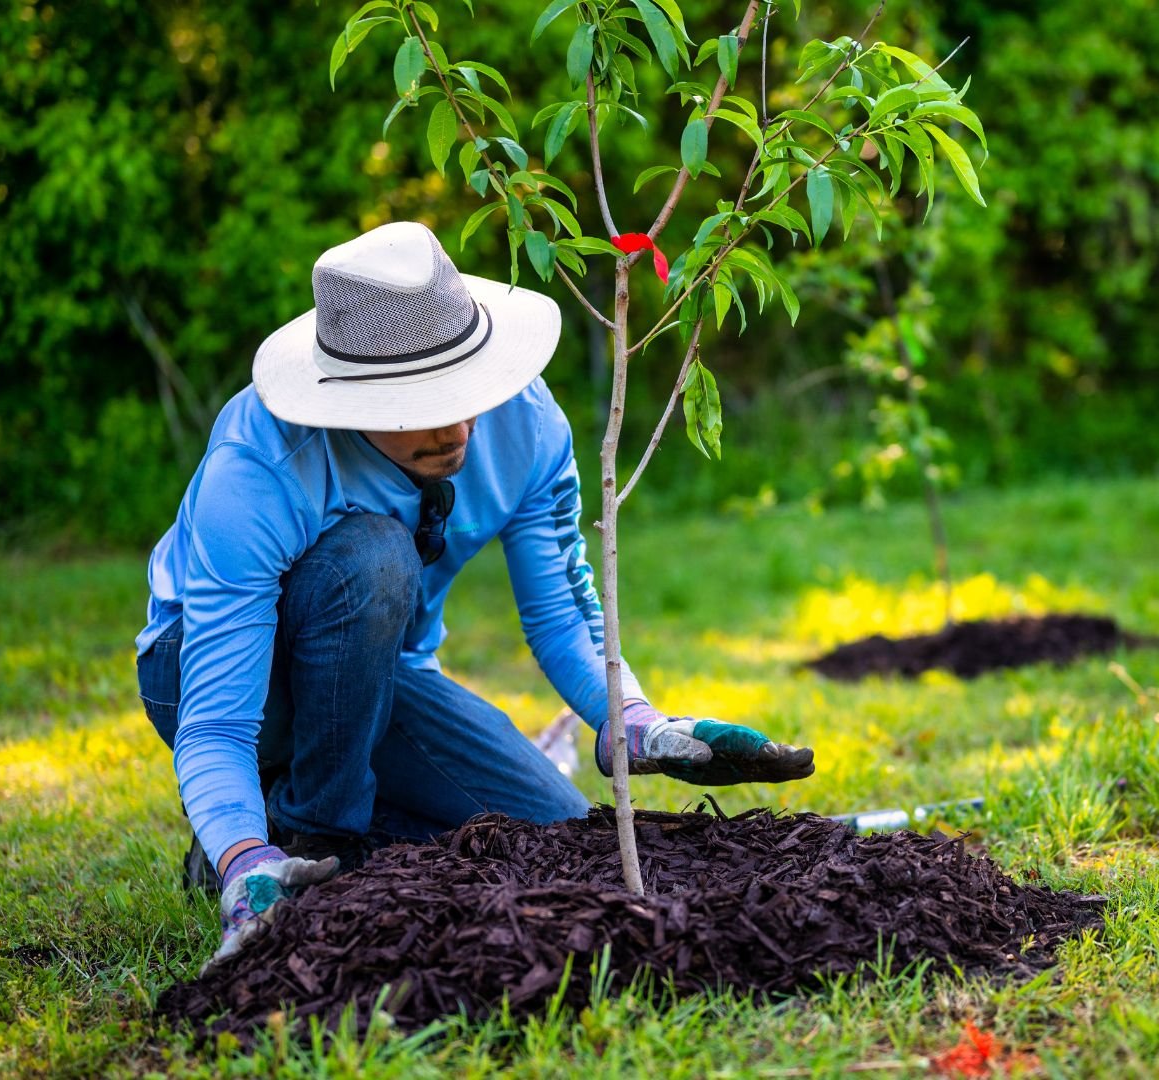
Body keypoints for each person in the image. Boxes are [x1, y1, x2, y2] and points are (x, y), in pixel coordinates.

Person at [134, 221, 814, 969]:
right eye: (418, 403)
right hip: (210, 675)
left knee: (548, 832)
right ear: (349, 401)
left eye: (466, 390)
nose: (458, 425)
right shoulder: (261, 468)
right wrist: (243, 859)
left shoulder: (525, 424)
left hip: (380, 678)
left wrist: (635, 722)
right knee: (373, 555)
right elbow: (217, 723)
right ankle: (292, 841)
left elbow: (563, 610)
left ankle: (298, 827)